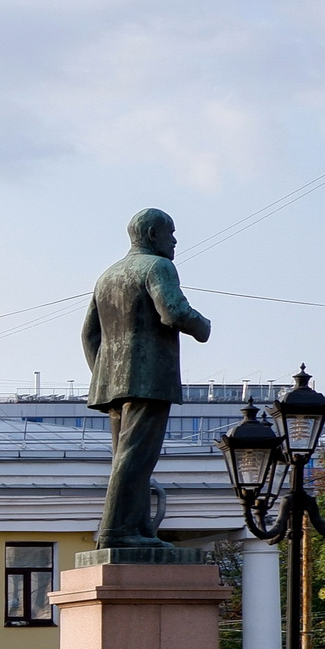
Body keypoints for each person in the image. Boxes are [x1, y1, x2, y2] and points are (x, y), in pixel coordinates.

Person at [81, 208, 210, 549]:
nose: (175, 241)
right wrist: (202, 327)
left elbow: (89, 335)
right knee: (136, 458)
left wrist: (104, 375)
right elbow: (174, 312)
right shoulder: (158, 267)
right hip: (149, 378)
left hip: (113, 384)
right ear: (153, 235)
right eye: (171, 233)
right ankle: (115, 532)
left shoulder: (107, 276)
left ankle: (136, 530)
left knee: (128, 459)